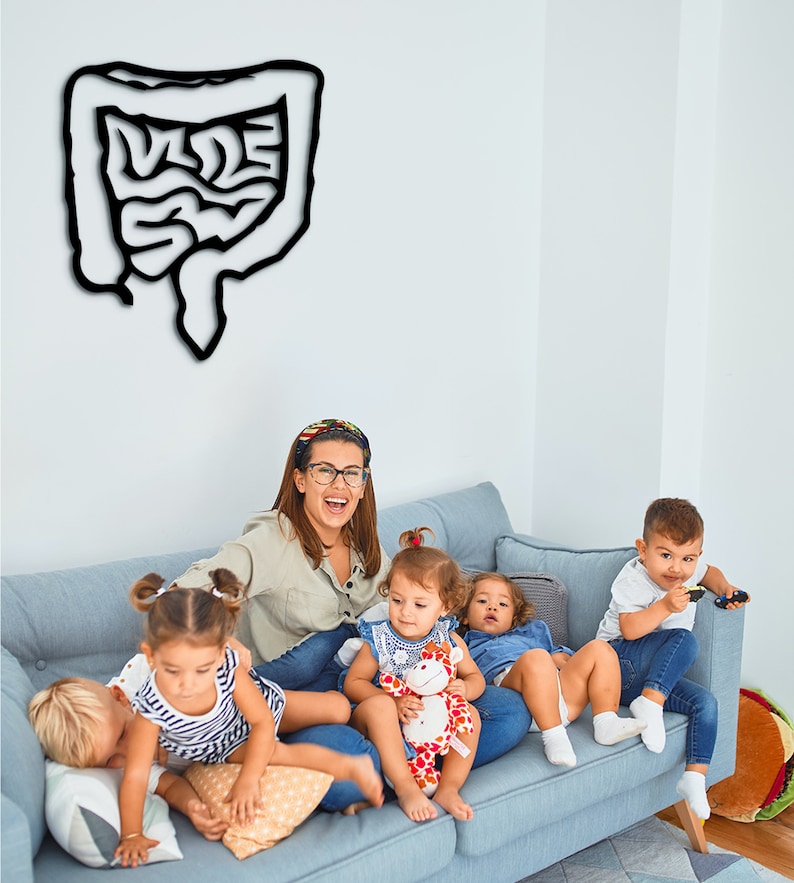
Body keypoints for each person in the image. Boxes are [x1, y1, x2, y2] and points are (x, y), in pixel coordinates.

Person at [172, 418, 530, 777]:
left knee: (510, 711)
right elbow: (181, 595)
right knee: (354, 764)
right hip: (305, 699)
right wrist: (223, 642)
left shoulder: (365, 546)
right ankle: (399, 764)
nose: (339, 485)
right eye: (324, 471)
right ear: (300, 480)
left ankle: (407, 760)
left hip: (372, 691)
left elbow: (415, 606)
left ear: (362, 485)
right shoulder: (272, 540)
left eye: (351, 474)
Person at [116, 569, 383, 868]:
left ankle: (341, 684)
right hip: (226, 747)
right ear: (151, 657)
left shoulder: (227, 669)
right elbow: (136, 776)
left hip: (258, 712)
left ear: (220, 655)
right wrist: (131, 833)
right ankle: (350, 766)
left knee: (339, 709)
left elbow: (262, 722)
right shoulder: (149, 710)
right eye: (173, 670)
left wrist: (248, 778)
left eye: (201, 670)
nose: (187, 685)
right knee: (279, 753)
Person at [595, 497, 750, 820]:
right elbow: (629, 629)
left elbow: (711, 573)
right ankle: (650, 704)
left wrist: (725, 588)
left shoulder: (688, 573)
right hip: (615, 666)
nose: (676, 568)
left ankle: (694, 777)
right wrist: (665, 606)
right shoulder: (633, 578)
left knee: (705, 703)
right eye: (665, 555)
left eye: (687, 559)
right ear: (643, 550)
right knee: (684, 639)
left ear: (697, 556)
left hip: (651, 678)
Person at [344, 527, 483, 823]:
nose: (406, 612)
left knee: (470, 714)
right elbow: (352, 683)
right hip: (380, 721)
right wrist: (392, 702)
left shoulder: (448, 640)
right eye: (397, 600)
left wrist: (465, 688)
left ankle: (449, 788)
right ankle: (405, 787)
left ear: (445, 607)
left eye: (419, 605)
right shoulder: (380, 639)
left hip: (427, 724)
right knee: (380, 706)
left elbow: (475, 677)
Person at [461, 573, 646, 768]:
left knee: (600, 648)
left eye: (503, 604)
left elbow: (558, 654)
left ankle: (606, 722)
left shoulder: (532, 633)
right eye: (482, 601)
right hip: (516, 701)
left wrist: (561, 657)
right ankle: (554, 737)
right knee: (536, 657)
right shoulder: (463, 644)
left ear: (514, 617)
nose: (492, 607)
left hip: (560, 698)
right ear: (465, 615)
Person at [28, 676, 229, 844]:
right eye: (109, 760)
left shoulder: (148, 681)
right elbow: (169, 786)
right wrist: (192, 807)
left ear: (120, 697)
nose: (128, 752)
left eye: (122, 735)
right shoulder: (126, 770)